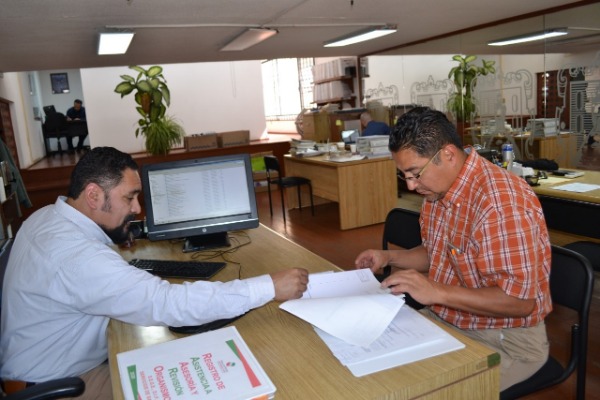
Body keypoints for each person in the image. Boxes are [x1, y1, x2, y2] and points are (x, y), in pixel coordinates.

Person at [0, 147, 309, 398]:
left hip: (39, 366)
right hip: (58, 386)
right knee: (197, 383)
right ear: (93, 195)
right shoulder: (77, 258)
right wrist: (269, 286)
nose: (137, 209)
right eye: (129, 197)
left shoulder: (46, 216)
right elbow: (168, 303)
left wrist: (113, 237)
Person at [355, 107, 551, 392]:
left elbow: (519, 302)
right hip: (448, 317)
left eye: (415, 173)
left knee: (422, 392)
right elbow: (438, 253)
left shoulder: (501, 204)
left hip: (506, 339)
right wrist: (388, 257)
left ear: (447, 154)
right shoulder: (438, 189)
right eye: (404, 175)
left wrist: (437, 292)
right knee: (373, 371)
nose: (411, 185)